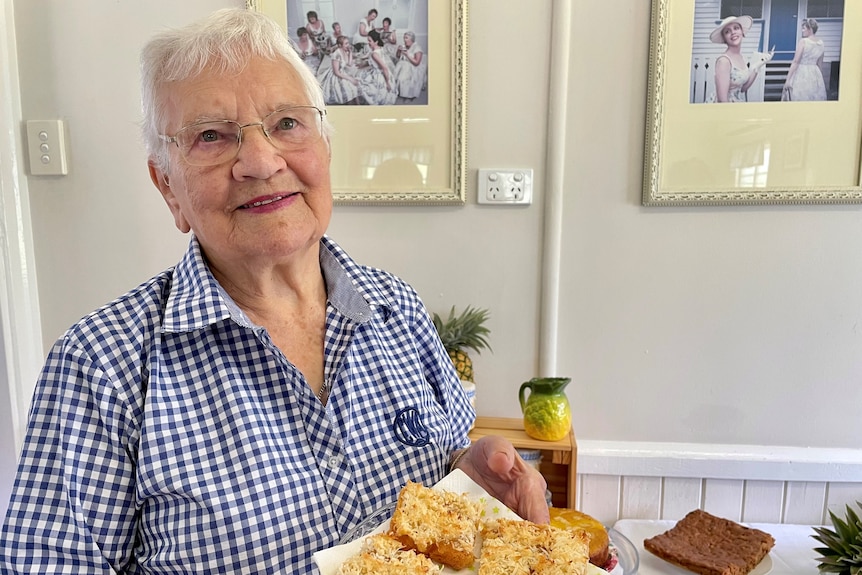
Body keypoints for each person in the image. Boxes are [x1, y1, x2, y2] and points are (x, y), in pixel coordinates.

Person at [0, 8, 548, 574]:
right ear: (168, 186)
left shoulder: (399, 311)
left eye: (287, 123)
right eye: (211, 137)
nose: (262, 162)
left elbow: (448, 497)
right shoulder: (99, 365)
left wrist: (473, 480)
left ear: (325, 147)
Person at [707, 15, 772, 103]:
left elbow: (743, 88)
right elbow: (722, 100)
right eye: (727, 32)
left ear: (742, 32)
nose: (733, 32)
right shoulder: (724, 61)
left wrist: (757, 66)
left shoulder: (741, 57)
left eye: (736, 28)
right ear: (724, 39)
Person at [782, 18, 827, 101]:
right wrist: (820, 81)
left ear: (810, 29)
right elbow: (820, 64)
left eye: (804, 28)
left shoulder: (803, 41)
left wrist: (788, 80)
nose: (802, 31)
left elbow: (796, 61)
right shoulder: (821, 43)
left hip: (802, 73)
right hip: (815, 74)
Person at [317, 34, 361, 105]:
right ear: (340, 45)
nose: (348, 45)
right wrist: (350, 78)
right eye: (346, 44)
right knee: (349, 90)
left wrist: (350, 53)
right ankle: (351, 107)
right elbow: (336, 72)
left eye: (348, 43)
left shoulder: (345, 51)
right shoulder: (336, 54)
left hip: (343, 73)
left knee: (355, 87)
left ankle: (358, 107)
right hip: (336, 76)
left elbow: (349, 64)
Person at [357, 29, 397, 105]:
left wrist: (387, 82)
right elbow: (375, 62)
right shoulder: (380, 48)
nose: (368, 43)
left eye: (370, 41)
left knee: (360, 84)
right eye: (368, 40)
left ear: (376, 42)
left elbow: (384, 67)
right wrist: (362, 64)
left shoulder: (374, 54)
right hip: (384, 72)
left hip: (380, 74)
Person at [394, 30, 427, 102]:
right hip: (402, 65)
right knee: (396, 77)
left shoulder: (417, 48)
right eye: (404, 37)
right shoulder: (403, 46)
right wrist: (398, 51)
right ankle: (400, 92)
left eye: (406, 38)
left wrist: (407, 55)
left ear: (411, 39)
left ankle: (408, 95)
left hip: (413, 67)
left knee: (403, 78)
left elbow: (417, 63)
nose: (404, 39)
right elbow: (398, 56)